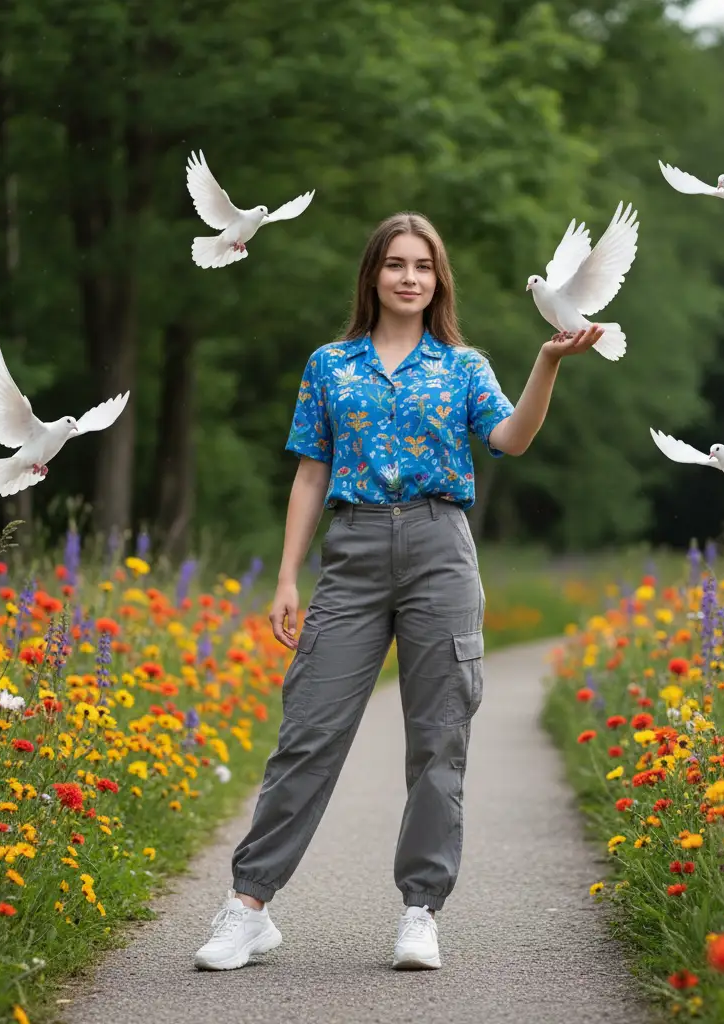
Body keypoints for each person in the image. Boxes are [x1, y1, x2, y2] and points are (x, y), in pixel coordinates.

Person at [194, 211, 603, 973]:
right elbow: (311, 471)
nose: (409, 276)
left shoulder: (463, 366)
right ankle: (248, 908)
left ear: (438, 279)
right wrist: (287, 575)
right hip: (349, 553)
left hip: (439, 550)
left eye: (422, 265)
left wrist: (547, 362)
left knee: (438, 737)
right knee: (307, 732)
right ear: (373, 276)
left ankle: (421, 911)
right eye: (394, 264)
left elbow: (510, 439)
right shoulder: (330, 364)